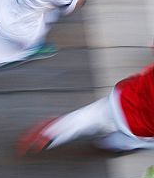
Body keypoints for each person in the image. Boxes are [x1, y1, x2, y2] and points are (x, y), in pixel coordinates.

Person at [18, 62, 154, 154]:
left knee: (85, 118)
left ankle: (51, 131)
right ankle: (108, 143)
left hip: (122, 99)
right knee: (119, 143)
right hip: (139, 129)